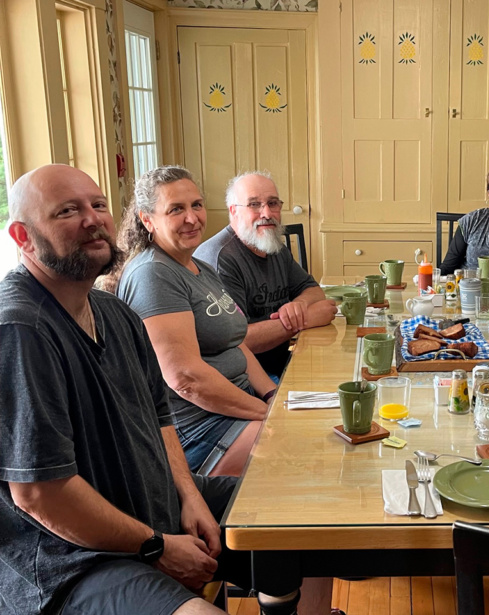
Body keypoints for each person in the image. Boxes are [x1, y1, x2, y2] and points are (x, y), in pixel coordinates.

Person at [0, 164, 306, 615]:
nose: (92, 218)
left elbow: (159, 417)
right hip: (74, 559)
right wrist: (157, 546)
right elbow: (42, 495)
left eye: (98, 205)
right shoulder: (20, 330)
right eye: (67, 211)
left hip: (152, 503)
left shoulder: (112, 311)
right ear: (23, 237)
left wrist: (188, 493)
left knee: (283, 516)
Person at [112, 166, 277, 477]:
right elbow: (186, 379)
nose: (192, 218)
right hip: (196, 428)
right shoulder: (153, 274)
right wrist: (268, 414)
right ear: (148, 220)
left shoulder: (198, 267)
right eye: (176, 209)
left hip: (240, 405)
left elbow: (235, 344)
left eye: (196, 205)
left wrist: (272, 395)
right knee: (304, 453)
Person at [195, 171, 336, 379]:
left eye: (273, 203)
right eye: (254, 204)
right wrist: (302, 319)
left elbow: (313, 290)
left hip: (286, 360)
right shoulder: (220, 259)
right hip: (247, 379)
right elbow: (239, 341)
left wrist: (297, 306)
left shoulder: (272, 244)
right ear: (233, 211)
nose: (267, 213)